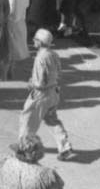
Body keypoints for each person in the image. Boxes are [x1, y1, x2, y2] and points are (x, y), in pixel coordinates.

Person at [21, 29, 75, 160]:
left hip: (41, 95)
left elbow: (39, 83)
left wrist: (31, 83)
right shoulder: (54, 54)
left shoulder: (40, 58)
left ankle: (25, 149)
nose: (33, 41)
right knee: (52, 120)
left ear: (39, 42)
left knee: (27, 120)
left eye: (35, 39)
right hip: (54, 92)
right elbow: (59, 73)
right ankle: (65, 146)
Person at [1, 0, 31, 79]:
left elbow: (10, 9)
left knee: (7, 49)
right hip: (21, 22)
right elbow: (27, 5)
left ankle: (4, 75)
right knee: (15, 50)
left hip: (10, 23)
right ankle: (11, 71)